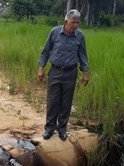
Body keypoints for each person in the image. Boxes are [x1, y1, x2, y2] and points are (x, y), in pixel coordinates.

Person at [37, 9, 90, 141]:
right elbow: (46, 51)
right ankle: (49, 128)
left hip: (70, 73)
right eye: (73, 22)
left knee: (66, 102)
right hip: (55, 71)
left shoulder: (80, 36)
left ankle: (62, 128)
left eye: (78, 22)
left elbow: (83, 56)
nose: (76, 25)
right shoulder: (55, 32)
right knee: (52, 101)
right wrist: (41, 68)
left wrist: (85, 73)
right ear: (66, 22)